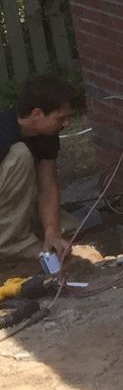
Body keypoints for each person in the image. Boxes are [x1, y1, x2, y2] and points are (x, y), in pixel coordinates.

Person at [0, 76, 76, 271]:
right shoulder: (4, 133)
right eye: (60, 118)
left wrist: (51, 232)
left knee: (68, 227)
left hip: (11, 202)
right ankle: (9, 245)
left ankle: (23, 234)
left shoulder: (46, 136)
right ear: (37, 114)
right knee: (21, 155)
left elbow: (47, 187)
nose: (66, 123)